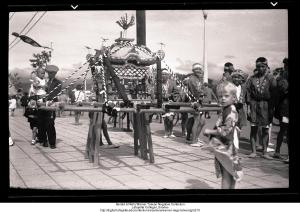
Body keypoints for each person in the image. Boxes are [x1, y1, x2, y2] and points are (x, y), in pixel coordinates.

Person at [203, 81, 243, 189]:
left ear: (234, 98)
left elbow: (226, 130)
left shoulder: (231, 111)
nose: (223, 98)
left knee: (227, 174)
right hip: (225, 144)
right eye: (220, 96)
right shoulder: (226, 109)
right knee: (230, 172)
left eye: (226, 96)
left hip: (227, 146)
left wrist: (210, 132)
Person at [245, 57, 277, 159]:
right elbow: (248, 94)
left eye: (263, 66)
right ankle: (253, 151)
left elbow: (274, 94)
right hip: (254, 106)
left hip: (266, 106)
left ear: (266, 66)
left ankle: (265, 152)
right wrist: (249, 107)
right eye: (258, 66)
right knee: (253, 129)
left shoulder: (271, 79)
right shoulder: (251, 79)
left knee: (265, 130)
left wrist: (272, 108)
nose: (260, 68)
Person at [37, 65, 62, 149]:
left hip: (51, 104)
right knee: (42, 123)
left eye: (53, 73)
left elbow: (56, 93)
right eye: (50, 73)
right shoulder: (43, 81)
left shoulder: (58, 82)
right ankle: (44, 140)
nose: (52, 75)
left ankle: (52, 142)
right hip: (42, 104)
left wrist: (49, 98)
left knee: (50, 124)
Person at [273, 58, 289, 163]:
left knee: (283, 130)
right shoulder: (282, 78)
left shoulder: (282, 77)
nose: (285, 67)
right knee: (284, 129)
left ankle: (278, 151)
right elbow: (281, 91)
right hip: (285, 109)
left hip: (284, 108)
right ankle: (278, 151)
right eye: (285, 65)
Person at [186, 63, 206, 147]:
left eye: (199, 69)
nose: (198, 70)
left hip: (199, 102)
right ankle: (193, 141)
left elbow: (202, 90)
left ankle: (196, 138)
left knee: (202, 121)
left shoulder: (198, 79)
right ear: (193, 70)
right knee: (197, 121)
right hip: (194, 101)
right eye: (196, 69)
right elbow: (197, 91)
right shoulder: (192, 79)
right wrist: (202, 94)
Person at [161, 68, 179, 138]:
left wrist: (171, 95)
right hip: (163, 103)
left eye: (165, 74)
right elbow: (156, 93)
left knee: (171, 118)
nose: (164, 75)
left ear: (168, 75)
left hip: (171, 102)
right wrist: (162, 96)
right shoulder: (159, 83)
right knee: (165, 119)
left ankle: (171, 132)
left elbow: (177, 92)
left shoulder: (172, 82)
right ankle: (166, 132)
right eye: (162, 74)